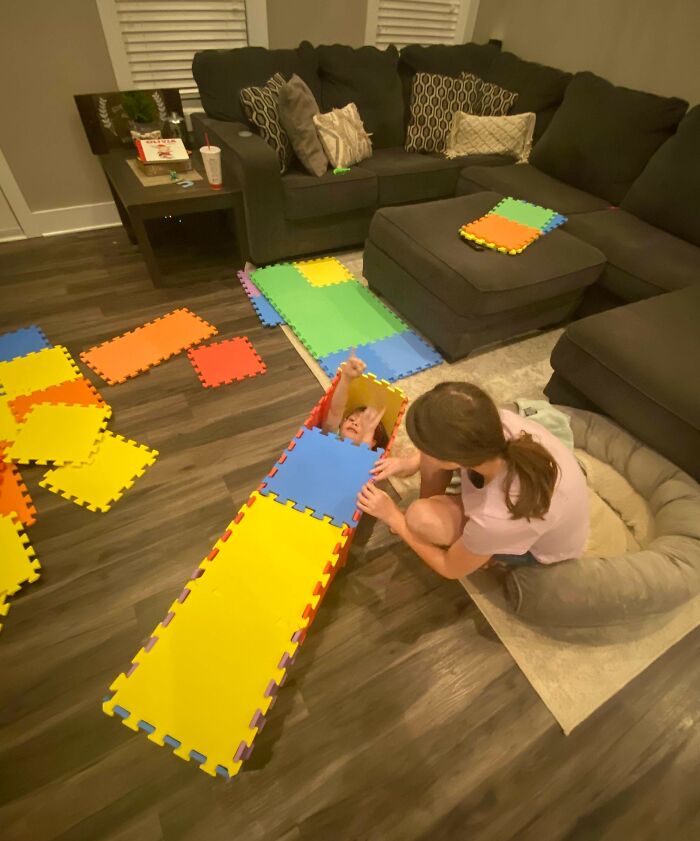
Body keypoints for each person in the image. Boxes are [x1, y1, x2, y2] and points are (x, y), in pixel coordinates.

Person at [357, 382, 589, 579]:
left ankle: (484, 554)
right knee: (431, 458)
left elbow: (450, 568)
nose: (422, 452)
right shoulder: (499, 421)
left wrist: (395, 518)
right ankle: (471, 541)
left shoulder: (498, 516)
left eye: (425, 449)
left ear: (452, 461)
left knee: (419, 518)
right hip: (520, 507)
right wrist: (409, 463)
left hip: (535, 549)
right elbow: (440, 446)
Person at [322, 350, 388, 450]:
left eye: (362, 425)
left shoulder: (363, 452)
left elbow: (364, 448)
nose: (354, 423)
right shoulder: (333, 436)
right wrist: (346, 379)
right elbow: (336, 411)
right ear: (341, 425)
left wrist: (369, 430)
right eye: (351, 419)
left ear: (372, 443)